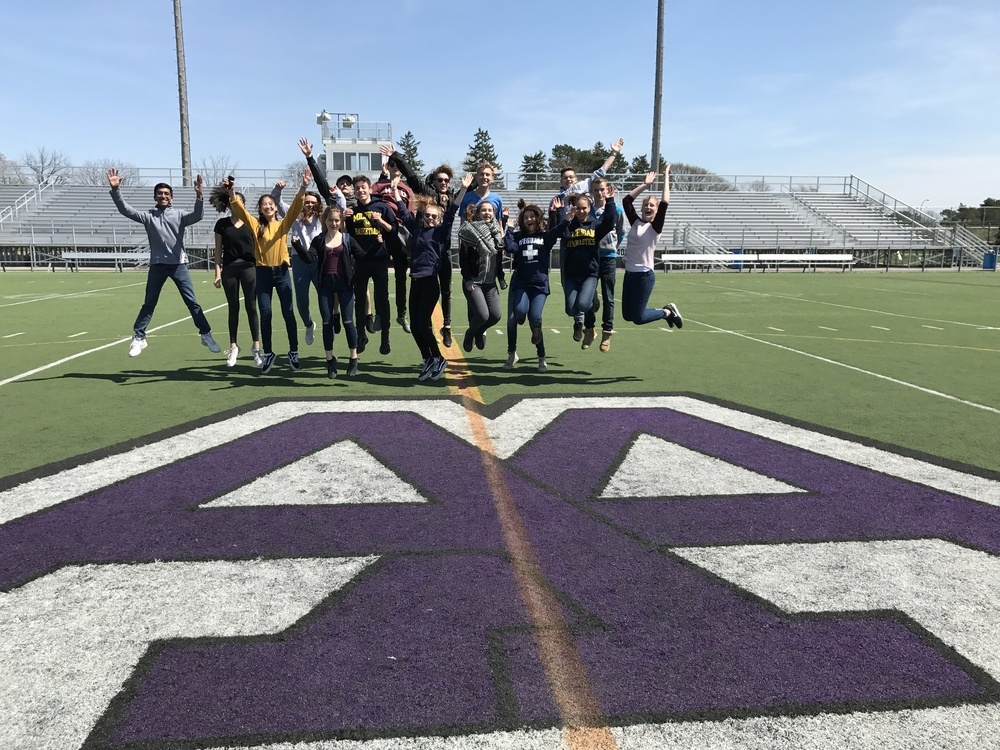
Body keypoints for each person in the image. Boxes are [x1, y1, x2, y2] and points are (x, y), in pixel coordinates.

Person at [106, 169, 221, 358]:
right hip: (157, 265)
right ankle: (139, 337)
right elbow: (125, 210)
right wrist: (116, 190)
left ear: (172, 198)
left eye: (167, 194)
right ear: (155, 197)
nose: (163, 196)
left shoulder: (180, 215)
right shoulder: (148, 216)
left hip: (179, 265)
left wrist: (199, 194)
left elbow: (197, 216)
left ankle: (205, 334)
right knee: (149, 303)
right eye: (160, 193)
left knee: (192, 302)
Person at [227, 163, 310, 374]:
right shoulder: (256, 225)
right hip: (262, 274)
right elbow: (240, 210)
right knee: (265, 314)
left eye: (270, 203)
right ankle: (269, 352)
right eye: (264, 204)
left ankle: (293, 351)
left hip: (281, 273)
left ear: (275, 206)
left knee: (288, 313)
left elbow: (294, 208)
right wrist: (231, 191)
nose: (268, 206)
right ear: (261, 209)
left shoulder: (283, 225)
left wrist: (303, 186)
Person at [394, 172, 472, 380]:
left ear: (439, 219)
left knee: (422, 325)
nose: (430, 218)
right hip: (415, 282)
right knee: (417, 329)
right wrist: (394, 189)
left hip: (430, 283)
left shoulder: (440, 233)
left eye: (434, 216)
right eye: (427, 215)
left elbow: (453, 211)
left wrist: (463, 188)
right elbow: (403, 211)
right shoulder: (417, 229)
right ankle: (427, 359)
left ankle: (438, 358)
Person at [387, 151, 459, 349]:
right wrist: (396, 155)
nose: (444, 183)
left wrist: (474, 183)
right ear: (433, 181)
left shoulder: (452, 198)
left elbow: (459, 204)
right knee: (421, 289)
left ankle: (446, 326)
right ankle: (420, 325)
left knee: (447, 290)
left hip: (443, 250)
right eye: (440, 179)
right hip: (425, 249)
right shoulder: (428, 194)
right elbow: (411, 176)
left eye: (446, 180)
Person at [294, 205, 363, 378]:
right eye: (330, 220)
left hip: (345, 284)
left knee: (348, 322)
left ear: (341, 222)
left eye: (337, 220)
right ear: (325, 221)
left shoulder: (347, 239)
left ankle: (353, 358)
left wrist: (378, 246)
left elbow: (362, 256)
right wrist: (297, 245)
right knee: (327, 323)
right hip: (325, 284)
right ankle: (330, 360)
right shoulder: (319, 240)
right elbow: (309, 258)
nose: (333, 223)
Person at [502, 199, 565, 373]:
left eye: (532, 217)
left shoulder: (545, 237)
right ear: (522, 221)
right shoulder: (518, 236)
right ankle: (513, 351)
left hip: (539, 284)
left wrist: (564, 217)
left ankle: (541, 357)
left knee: (535, 317)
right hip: (522, 282)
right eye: (526, 217)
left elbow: (558, 230)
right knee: (520, 312)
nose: (529, 219)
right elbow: (509, 248)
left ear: (537, 219)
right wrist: (509, 228)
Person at [621, 167, 683, 329]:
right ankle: (666, 312)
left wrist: (666, 177)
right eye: (646, 205)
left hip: (644, 276)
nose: (648, 207)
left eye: (652, 206)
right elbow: (626, 201)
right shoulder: (635, 222)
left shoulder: (655, 227)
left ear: (656, 210)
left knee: (639, 318)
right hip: (629, 276)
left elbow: (665, 203)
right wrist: (645, 184)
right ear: (642, 208)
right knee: (627, 316)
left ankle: (667, 312)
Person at [557, 191, 618, 350]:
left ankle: (591, 300)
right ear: (574, 208)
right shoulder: (569, 225)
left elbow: (610, 222)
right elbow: (559, 233)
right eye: (578, 208)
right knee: (571, 310)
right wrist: (560, 214)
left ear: (589, 207)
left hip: (589, 275)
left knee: (584, 305)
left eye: (584, 208)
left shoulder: (595, 225)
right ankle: (581, 316)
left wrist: (609, 201)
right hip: (571, 275)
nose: (581, 211)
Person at [210, 181, 261, 367]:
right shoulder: (222, 224)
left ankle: (256, 348)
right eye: (232, 200)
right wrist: (217, 273)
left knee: (252, 307)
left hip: (250, 268)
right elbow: (217, 251)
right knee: (233, 308)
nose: (235, 203)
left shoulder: (252, 223)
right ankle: (233, 347)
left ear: (243, 205)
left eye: (238, 201)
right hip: (230, 269)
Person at [346, 175, 397, 356]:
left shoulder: (382, 207)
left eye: (363, 187)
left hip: (379, 259)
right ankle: (361, 335)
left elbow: (394, 230)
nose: (360, 190)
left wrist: (380, 221)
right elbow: (347, 235)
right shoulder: (351, 211)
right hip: (360, 260)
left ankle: (385, 337)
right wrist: (346, 220)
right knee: (359, 300)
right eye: (357, 187)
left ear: (369, 189)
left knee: (382, 299)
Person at [372, 145, 416, 334]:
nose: (395, 168)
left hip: (399, 234)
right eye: (392, 164)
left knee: (400, 277)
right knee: (380, 278)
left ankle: (401, 313)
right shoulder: (378, 186)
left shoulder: (407, 189)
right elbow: (369, 207)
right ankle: (380, 314)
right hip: (381, 233)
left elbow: (411, 214)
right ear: (387, 167)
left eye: (398, 165)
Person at [458, 200, 506, 353]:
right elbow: (463, 259)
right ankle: (470, 333)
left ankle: (478, 331)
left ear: (494, 213)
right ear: (478, 213)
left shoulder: (497, 234)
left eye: (490, 210)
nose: (487, 213)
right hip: (474, 282)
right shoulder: (469, 231)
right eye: (483, 210)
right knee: (483, 315)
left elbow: (498, 260)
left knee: (496, 316)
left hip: (490, 283)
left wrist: (501, 278)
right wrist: (468, 279)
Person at [590, 177, 625, 352]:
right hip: (591, 257)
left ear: (607, 190)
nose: (599, 192)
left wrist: (614, 246)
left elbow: (621, 231)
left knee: (609, 296)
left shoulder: (616, 209)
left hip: (609, 258)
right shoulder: (587, 209)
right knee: (589, 295)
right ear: (591, 191)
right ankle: (590, 328)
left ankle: (607, 332)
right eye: (596, 189)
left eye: (602, 189)